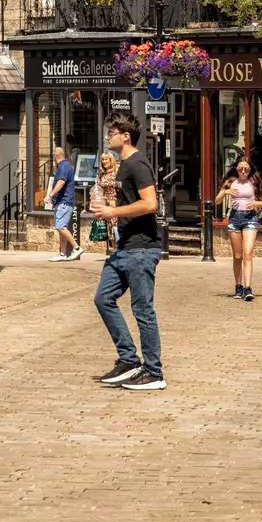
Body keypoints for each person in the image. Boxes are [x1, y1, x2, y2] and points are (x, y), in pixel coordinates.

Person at [91, 115, 164, 391]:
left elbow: (150, 204)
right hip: (124, 248)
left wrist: (113, 211)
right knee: (103, 297)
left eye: (112, 132)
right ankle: (129, 359)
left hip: (143, 248)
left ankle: (154, 372)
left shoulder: (138, 164)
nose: (108, 137)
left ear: (126, 137)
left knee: (143, 309)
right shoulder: (122, 167)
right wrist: (104, 206)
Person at [215, 156, 262, 301]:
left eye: (246, 169)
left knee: (248, 253)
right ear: (236, 168)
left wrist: (257, 204)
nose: (243, 171)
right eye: (240, 169)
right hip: (234, 218)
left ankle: (248, 288)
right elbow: (217, 201)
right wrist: (225, 192)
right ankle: (238, 286)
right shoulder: (231, 182)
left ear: (250, 170)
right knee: (237, 255)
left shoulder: (254, 182)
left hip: (250, 218)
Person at [47, 145, 81, 261]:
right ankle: (62, 253)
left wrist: (50, 195)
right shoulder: (63, 166)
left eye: (53, 154)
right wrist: (55, 201)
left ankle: (76, 248)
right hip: (61, 202)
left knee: (61, 226)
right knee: (62, 228)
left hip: (65, 202)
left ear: (55, 156)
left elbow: (61, 182)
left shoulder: (64, 166)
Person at [94, 148, 121, 255]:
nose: (104, 162)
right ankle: (115, 250)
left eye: (106, 159)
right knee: (110, 227)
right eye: (103, 160)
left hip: (116, 202)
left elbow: (121, 185)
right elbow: (98, 188)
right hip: (106, 203)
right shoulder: (102, 174)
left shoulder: (117, 171)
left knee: (116, 226)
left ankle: (120, 249)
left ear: (111, 160)